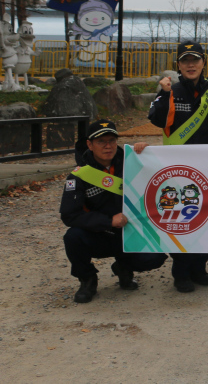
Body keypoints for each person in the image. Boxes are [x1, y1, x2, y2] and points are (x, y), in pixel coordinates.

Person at [148, 40, 208, 292]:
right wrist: (164, 94)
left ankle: (199, 267)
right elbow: (156, 119)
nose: (190, 64)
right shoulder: (171, 90)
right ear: (178, 65)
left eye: (195, 60)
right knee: (182, 217)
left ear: (204, 63)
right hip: (178, 168)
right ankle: (181, 272)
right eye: (185, 60)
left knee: (206, 216)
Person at [61, 120, 168, 303]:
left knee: (156, 256)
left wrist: (148, 153)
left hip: (130, 232)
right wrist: (108, 221)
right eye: (101, 141)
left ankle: (123, 267)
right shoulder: (79, 175)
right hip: (99, 233)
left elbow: (163, 175)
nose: (108, 146)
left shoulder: (132, 161)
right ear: (89, 144)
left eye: (111, 140)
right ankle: (87, 279)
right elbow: (69, 214)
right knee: (72, 237)